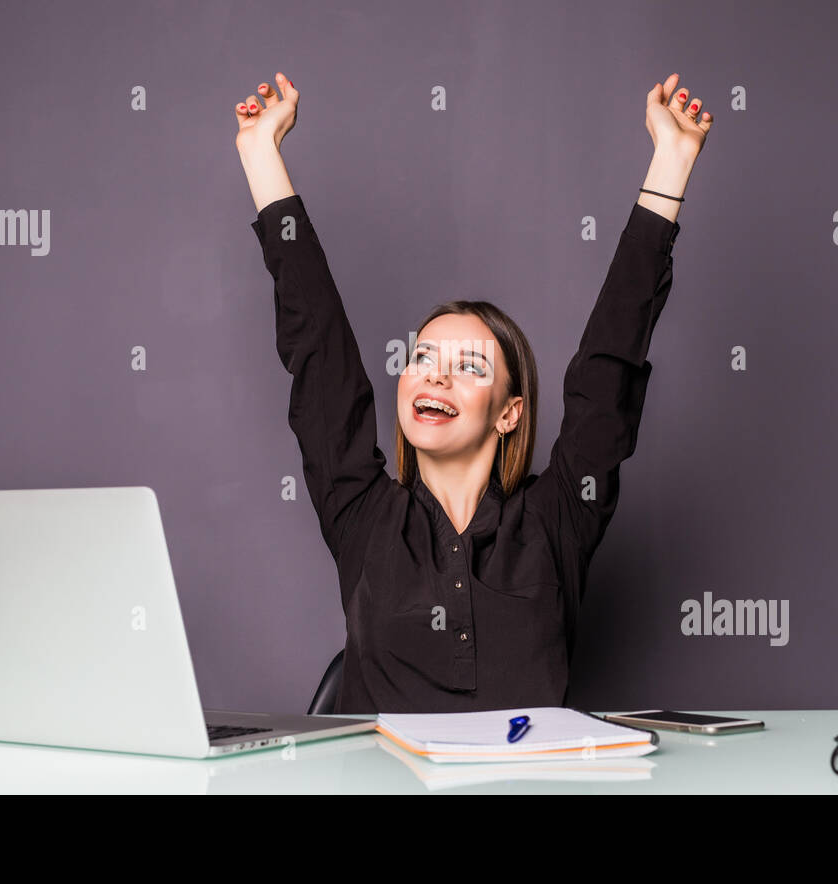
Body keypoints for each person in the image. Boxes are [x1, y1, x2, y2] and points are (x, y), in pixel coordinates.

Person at [234, 71, 712, 713]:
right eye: (423, 357)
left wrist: (672, 158)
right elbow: (320, 352)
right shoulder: (362, 515)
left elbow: (611, 364)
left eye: (469, 366)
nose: (434, 374)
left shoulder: (558, 520)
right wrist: (261, 152)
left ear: (510, 413)